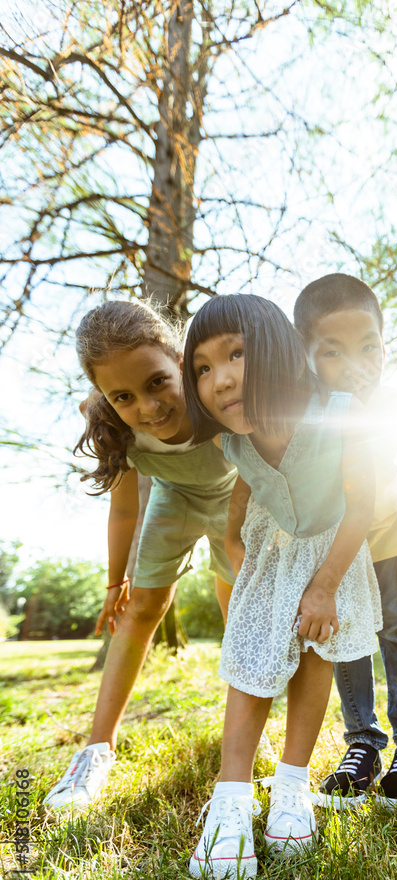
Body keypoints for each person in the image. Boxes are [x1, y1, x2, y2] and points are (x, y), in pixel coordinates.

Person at [182, 293, 382, 880]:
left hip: (333, 547)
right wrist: (233, 535)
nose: (219, 379)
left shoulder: (341, 411)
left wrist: (324, 586)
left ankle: (292, 784)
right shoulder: (230, 437)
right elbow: (247, 481)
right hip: (271, 549)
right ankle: (232, 798)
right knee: (251, 660)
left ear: (276, 349)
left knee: (315, 654)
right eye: (203, 368)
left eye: (235, 354)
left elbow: (363, 505)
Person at [43, 300, 237, 813]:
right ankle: (96, 750)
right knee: (141, 609)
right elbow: (125, 512)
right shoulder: (115, 427)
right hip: (174, 500)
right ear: (106, 398)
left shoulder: (215, 393)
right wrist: (115, 583)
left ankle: (240, 733)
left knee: (236, 609)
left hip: (238, 501)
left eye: (156, 382)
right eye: (124, 395)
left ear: (178, 357)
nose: (149, 407)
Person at [293, 274, 397, 808]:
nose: (356, 364)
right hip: (339, 550)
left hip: (393, 539)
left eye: (368, 347)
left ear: (384, 345)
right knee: (347, 643)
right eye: (334, 352)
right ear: (307, 357)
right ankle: (363, 744)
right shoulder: (311, 415)